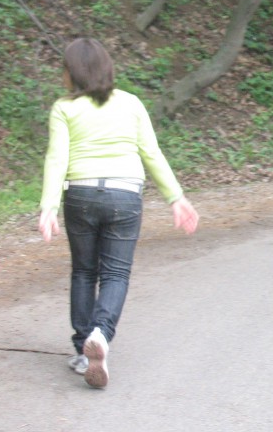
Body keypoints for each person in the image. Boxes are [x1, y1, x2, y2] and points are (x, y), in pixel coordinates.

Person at [38, 38, 199, 389]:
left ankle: (84, 350)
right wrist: (176, 197)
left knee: (84, 271)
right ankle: (101, 334)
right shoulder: (131, 103)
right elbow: (151, 153)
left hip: (80, 194)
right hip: (125, 195)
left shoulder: (64, 108)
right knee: (115, 274)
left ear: (73, 73)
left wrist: (48, 206)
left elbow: (57, 158)